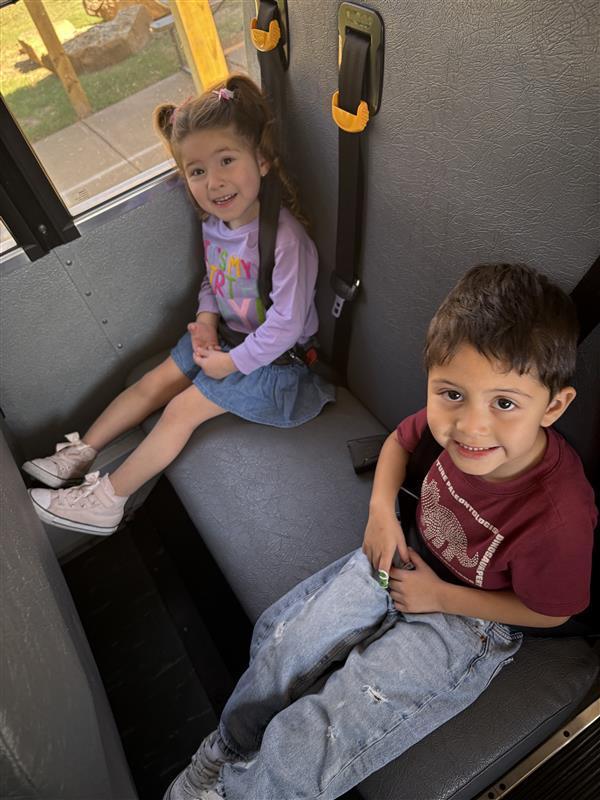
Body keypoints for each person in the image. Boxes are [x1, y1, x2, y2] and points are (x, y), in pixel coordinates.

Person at [164, 263, 597, 800]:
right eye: (451, 394)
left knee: (326, 729)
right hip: (405, 551)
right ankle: (225, 752)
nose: (470, 427)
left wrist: (440, 596)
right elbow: (399, 441)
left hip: (470, 618)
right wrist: (380, 513)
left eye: (504, 403)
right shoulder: (452, 425)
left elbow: (552, 609)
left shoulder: (559, 514)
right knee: (287, 647)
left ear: (553, 407)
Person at [22, 74, 335, 536]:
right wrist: (206, 319)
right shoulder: (216, 223)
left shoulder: (287, 241)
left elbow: (287, 325)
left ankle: (106, 501)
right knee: (155, 382)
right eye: (197, 171)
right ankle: (79, 452)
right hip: (228, 339)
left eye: (227, 160)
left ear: (262, 161)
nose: (215, 182)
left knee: (180, 410)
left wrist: (232, 363)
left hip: (277, 365)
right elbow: (215, 279)